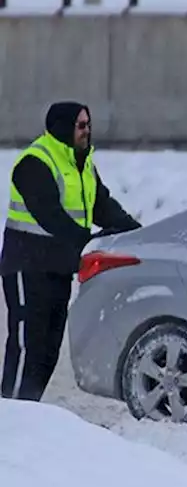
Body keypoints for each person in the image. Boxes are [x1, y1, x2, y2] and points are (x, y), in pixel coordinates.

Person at [1, 102, 140, 402]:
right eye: (81, 125)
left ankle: (30, 408)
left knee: (49, 348)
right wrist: (87, 240)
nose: (87, 130)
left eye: (88, 124)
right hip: (27, 267)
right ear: (63, 127)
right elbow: (49, 215)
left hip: (59, 268)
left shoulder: (83, 163)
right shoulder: (35, 162)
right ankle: (10, 412)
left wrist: (138, 232)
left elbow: (102, 206)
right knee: (28, 344)